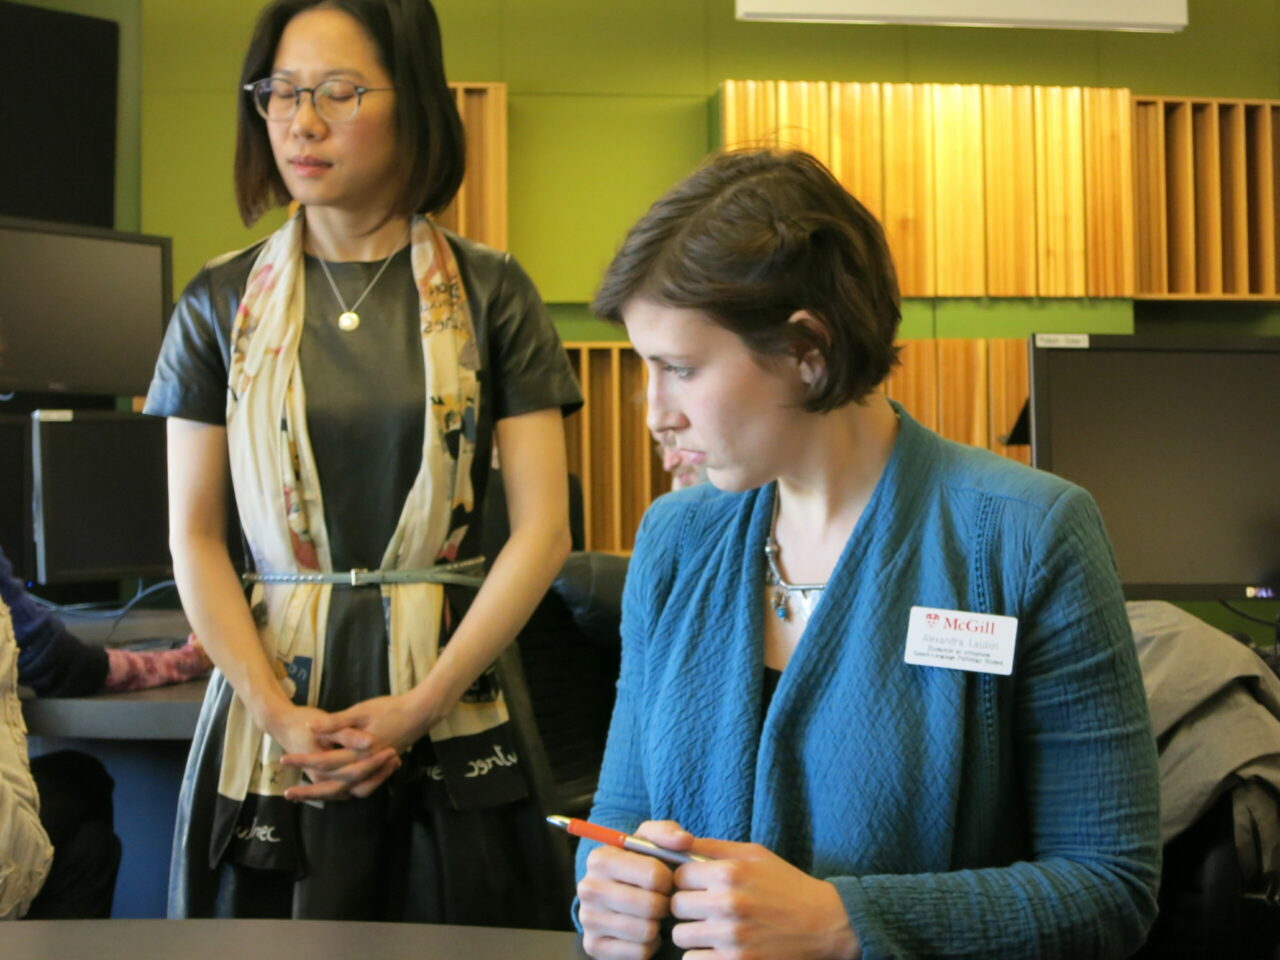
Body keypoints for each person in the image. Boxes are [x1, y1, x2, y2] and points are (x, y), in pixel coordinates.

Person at [574, 149, 1162, 960]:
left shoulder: (1026, 535)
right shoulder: (676, 538)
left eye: (679, 369)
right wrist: (606, 890)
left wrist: (845, 924)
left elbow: (1110, 889)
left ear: (807, 349)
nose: (655, 413)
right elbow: (614, 823)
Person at [144, 0, 580, 924]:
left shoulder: (495, 292)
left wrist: (420, 705)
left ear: (414, 102)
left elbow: (543, 534)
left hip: (451, 689)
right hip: (271, 707)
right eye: (281, 93)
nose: (302, 122)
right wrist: (272, 710)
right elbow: (193, 535)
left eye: (339, 92)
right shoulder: (217, 303)